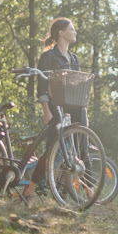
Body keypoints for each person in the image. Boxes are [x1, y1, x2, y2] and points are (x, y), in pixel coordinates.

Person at [21, 17, 88, 205]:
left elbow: (77, 86)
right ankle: (31, 189)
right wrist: (46, 110)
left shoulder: (74, 59)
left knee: (72, 152)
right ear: (61, 32)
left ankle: (63, 193)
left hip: (73, 109)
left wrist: (83, 113)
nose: (75, 32)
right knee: (54, 150)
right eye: (72, 29)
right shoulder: (48, 57)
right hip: (55, 108)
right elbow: (42, 88)